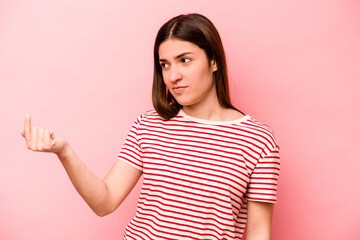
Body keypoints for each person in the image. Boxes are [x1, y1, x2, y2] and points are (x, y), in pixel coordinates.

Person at [21, 13, 280, 240]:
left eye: (185, 60)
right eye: (164, 64)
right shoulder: (148, 125)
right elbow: (105, 201)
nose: (172, 76)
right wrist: (64, 151)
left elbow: (258, 232)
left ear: (214, 61)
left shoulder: (258, 140)